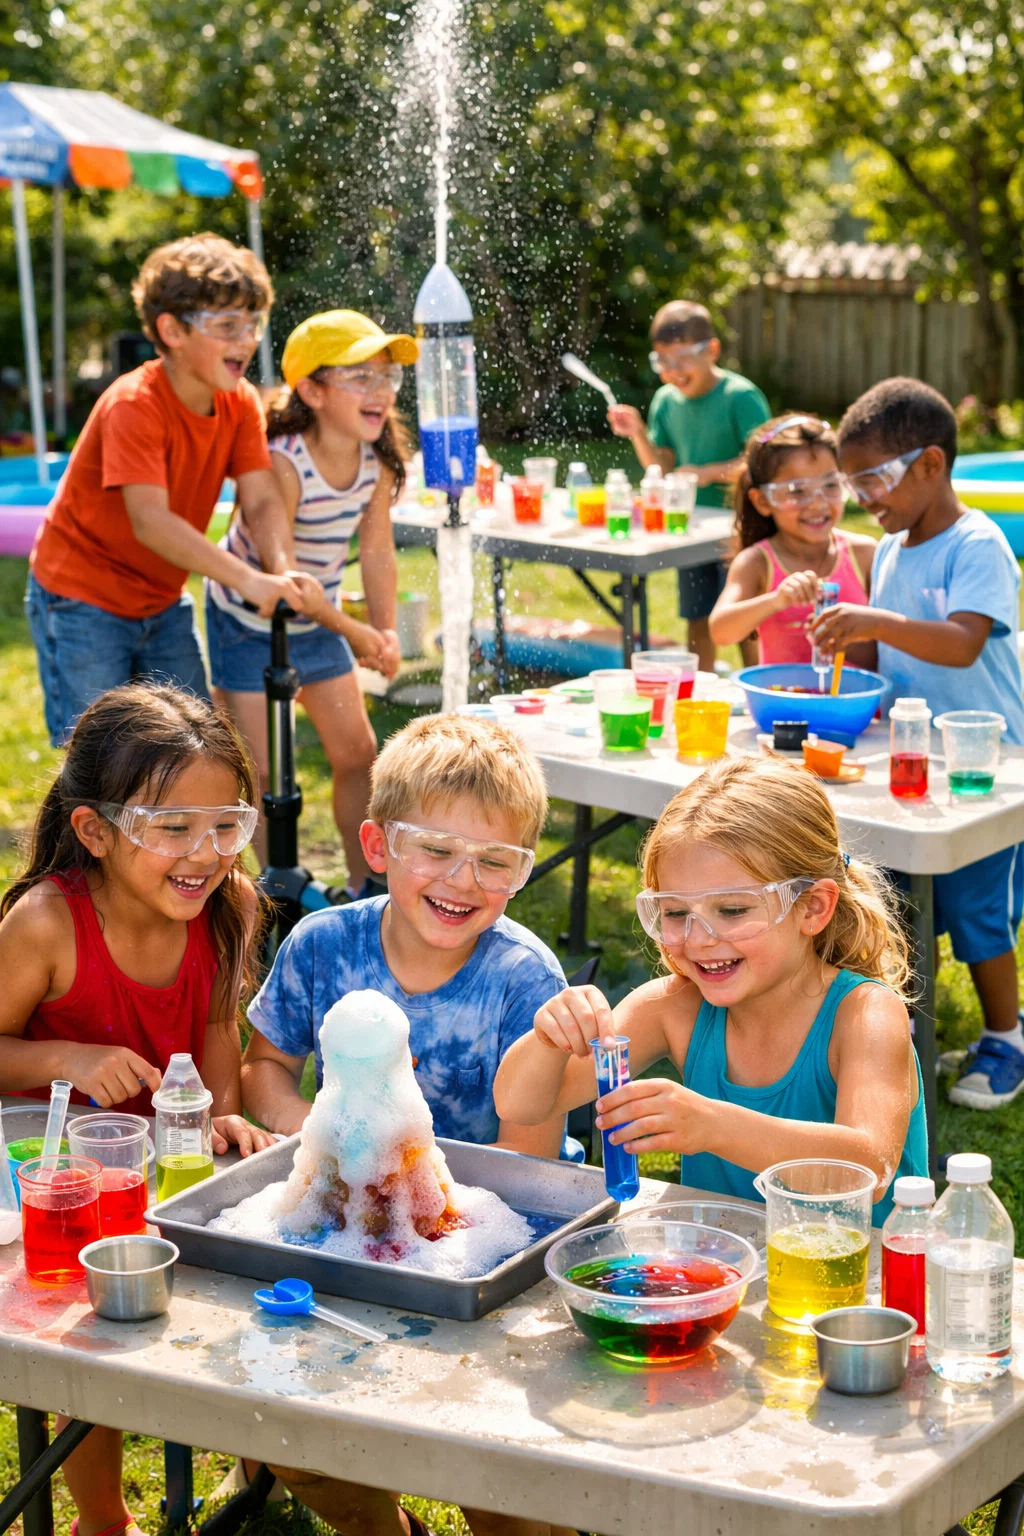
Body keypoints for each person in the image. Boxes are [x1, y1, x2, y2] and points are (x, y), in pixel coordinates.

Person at [241, 712, 574, 1536]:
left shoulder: (523, 979)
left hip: (482, 1249)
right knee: (292, 1437)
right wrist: (310, 1134)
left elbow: (525, 1174)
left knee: (502, 1477)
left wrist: (418, 1191)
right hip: (345, 1231)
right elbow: (264, 1065)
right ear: (377, 845)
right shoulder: (323, 946)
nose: (463, 879)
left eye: (495, 861)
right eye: (436, 849)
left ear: (521, 873)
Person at [0, 683, 276, 1536]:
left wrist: (221, 1117)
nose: (205, 854)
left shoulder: (226, 906)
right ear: (95, 831)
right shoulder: (47, 924)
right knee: (91, 1333)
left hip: (168, 1165)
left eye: (226, 825)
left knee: (241, 1286)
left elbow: (219, 1028)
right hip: (54, 1192)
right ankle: (102, 1520)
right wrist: (66, 1057)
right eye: (173, 828)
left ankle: (258, 1464)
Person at [495, 756, 928, 1223]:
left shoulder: (865, 1014)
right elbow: (520, 1104)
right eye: (676, 913)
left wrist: (713, 1125)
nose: (699, 939)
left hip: (860, 1264)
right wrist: (548, 1040)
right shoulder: (673, 1008)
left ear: (812, 908)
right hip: (726, 1259)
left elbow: (868, 1168)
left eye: (733, 910)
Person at [812, 377, 1024, 1109]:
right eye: (854, 483)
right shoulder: (892, 548)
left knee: (976, 912)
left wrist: (873, 621)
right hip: (909, 760)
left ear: (930, 464)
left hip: (986, 769)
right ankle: (907, 1036)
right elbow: (886, 653)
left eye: (872, 479)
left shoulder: (978, 544)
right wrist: (847, 654)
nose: (863, 497)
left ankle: (1006, 1037)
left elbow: (963, 643)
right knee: (897, 902)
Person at [27, 233, 317, 748]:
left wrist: (281, 569)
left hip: (161, 600)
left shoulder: (240, 402)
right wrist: (250, 581)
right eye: (227, 326)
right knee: (97, 758)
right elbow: (151, 522)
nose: (247, 339)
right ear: (172, 330)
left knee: (190, 748)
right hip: (82, 599)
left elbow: (261, 497)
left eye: (252, 323)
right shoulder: (134, 405)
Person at [206, 309, 414, 894]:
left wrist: (385, 630)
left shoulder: (375, 461)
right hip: (247, 620)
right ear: (313, 391)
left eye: (387, 377)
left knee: (358, 754)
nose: (380, 391)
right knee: (260, 769)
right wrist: (358, 633)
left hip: (318, 619)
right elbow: (290, 584)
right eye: (361, 377)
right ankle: (270, 894)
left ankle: (365, 886)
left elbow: (377, 552)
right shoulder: (284, 460)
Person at [607, 300, 770, 670]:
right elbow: (662, 467)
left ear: (711, 350)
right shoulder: (665, 401)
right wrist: (638, 433)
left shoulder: (740, 397)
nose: (672, 371)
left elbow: (761, 463)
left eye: (681, 359)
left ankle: (759, 685)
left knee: (746, 622)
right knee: (698, 618)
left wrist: (708, 472)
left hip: (740, 527)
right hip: (692, 528)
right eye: (662, 361)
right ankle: (700, 690)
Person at [708, 413, 876, 665]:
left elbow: (890, 649)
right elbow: (721, 631)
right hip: (781, 692)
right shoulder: (756, 562)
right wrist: (777, 600)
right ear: (763, 501)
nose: (817, 503)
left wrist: (846, 640)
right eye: (797, 491)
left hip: (858, 693)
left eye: (830, 485)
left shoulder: (864, 554)